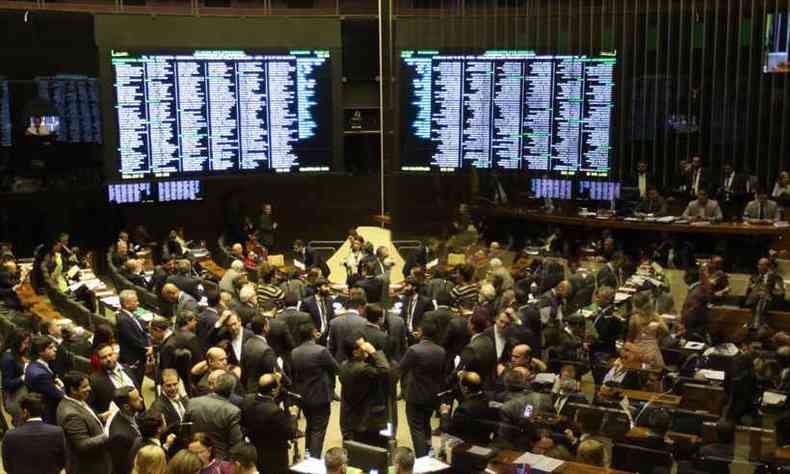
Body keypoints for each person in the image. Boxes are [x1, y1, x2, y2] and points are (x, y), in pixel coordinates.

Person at [395, 319, 446, 457]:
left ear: (421, 332)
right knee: (426, 425)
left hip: (415, 395)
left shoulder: (414, 350)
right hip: (433, 395)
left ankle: (422, 458)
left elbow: (401, 369)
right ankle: (429, 456)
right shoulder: (441, 351)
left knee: (416, 428)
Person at [292, 322, 339, 457]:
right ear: (313, 333)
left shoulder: (294, 352)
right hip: (320, 397)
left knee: (309, 428)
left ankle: (308, 457)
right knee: (318, 431)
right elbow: (336, 368)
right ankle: (314, 462)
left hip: (304, 397)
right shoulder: (321, 351)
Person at [240, 373, 297, 474]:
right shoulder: (274, 411)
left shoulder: (247, 400)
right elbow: (290, 433)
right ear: (273, 390)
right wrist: (293, 416)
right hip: (275, 458)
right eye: (278, 386)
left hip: (255, 452)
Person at [57, 371, 113, 474]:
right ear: (73, 390)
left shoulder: (76, 400)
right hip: (89, 467)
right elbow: (82, 444)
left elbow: (84, 421)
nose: (89, 389)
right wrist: (106, 435)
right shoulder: (71, 414)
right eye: (84, 387)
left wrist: (100, 418)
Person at [339, 336, 390, 444]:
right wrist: (373, 352)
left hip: (351, 418)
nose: (365, 348)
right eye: (362, 348)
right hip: (367, 420)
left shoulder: (343, 365)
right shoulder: (364, 369)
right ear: (355, 352)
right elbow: (385, 370)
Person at [1, 393, 67, 474]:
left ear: (25, 412)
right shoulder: (57, 432)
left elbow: (7, 466)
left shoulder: (10, 435)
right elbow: (62, 462)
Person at [185, 373, 244, 460]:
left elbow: (184, 431)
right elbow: (236, 443)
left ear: (214, 386)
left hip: (193, 456)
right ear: (231, 391)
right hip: (219, 461)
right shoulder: (232, 411)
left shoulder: (192, 402)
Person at [439, 371, 498, 445]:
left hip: (466, 447)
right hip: (485, 443)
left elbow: (449, 430)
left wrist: (445, 413)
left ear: (465, 388)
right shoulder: (489, 401)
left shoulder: (463, 409)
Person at [90, 342, 138, 415]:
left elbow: (138, 390)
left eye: (110, 355)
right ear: (99, 360)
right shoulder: (94, 380)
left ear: (115, 354)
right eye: (104, 357)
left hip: (138, 414)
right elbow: (93, 406)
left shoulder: (127, 368)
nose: (108, 359)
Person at [25, 335, 63, 424]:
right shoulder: (40, 375)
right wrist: (62, 385)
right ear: (40, 352)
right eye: (50, 348)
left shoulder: (34, 364)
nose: (55, 349)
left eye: (54, 347)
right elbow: (59, 395)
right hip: (49, 415)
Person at [118, 289, 153, 386]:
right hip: (133, 359)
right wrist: (148, 348)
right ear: (126, 304)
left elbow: (140, 331)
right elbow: (133, 340)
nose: (138, 303)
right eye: (135, 301)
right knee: (136, 384)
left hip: (138, 356)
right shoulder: (123, 320)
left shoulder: (129, 316)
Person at [109, 387, 146, 474]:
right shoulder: (119, 436)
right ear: (126, 407)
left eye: (139, 396)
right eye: (137, 399)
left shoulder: (133, 415)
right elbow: (123, 469)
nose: (141, 399)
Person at [626, 292, 667, 368]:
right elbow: (666, 332)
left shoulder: (634, 318)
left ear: (635, 305)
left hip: (638, 353)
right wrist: (656, 339)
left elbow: (630, 338)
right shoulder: (656, 316)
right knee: (655, 374)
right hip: (653, 351)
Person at [328, 288, 368, 363]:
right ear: (360, 307)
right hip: (359, 363)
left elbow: (331, 347)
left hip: (339, 363)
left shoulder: (334, 322)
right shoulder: (364, 322)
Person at [744, 257, 785, 328]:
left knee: (762, 297)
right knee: (760, 296)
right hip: (753, 298)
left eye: (760, 265)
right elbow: (749, 288)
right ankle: (758, 323)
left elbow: (781, 291)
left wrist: (768, 292)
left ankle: (754, 324)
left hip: (768, 299)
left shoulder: (775, 276)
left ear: (767, 266)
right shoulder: (754, 276)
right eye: (758, 265)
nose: (758, 266)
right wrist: (755, 287)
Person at [241, 315, 278, 393]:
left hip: (247, 388)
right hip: (262, 390)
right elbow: (274, 372)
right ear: (265, 328)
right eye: (268, 324)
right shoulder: (267, 350)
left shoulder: (247, 343)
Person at [2, 328, 31, 425]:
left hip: (21, 394)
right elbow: (7, 384)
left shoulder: (16, 354)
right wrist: (23, 376)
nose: (26, 346)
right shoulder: (8, 358)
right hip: (14, 400)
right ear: (16, 342)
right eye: (25, 343)